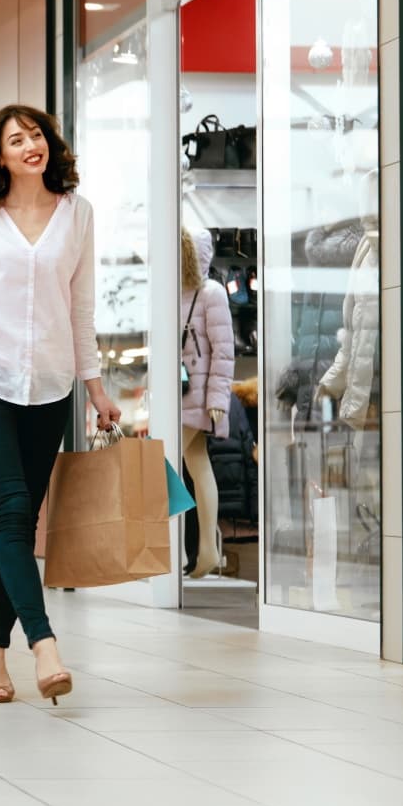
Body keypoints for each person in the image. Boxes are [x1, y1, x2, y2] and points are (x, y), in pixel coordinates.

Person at [0, 104, 122, 706]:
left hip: (51, 385)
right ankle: (43, 644)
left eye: (35, 135)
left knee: (20, 520)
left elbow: (81, 308)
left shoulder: (78, 213)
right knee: (12, 508)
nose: (30, 145)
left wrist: (95, 390)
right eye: (16, 140)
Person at [180, 227, 234, 578]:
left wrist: (218, 399)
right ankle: (205, 549)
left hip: (196, 397)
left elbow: (223, 350)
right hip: (178, 394)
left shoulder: (210, 293)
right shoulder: (173, 292)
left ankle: (195, 549)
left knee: (169, 465)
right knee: (195, 465)